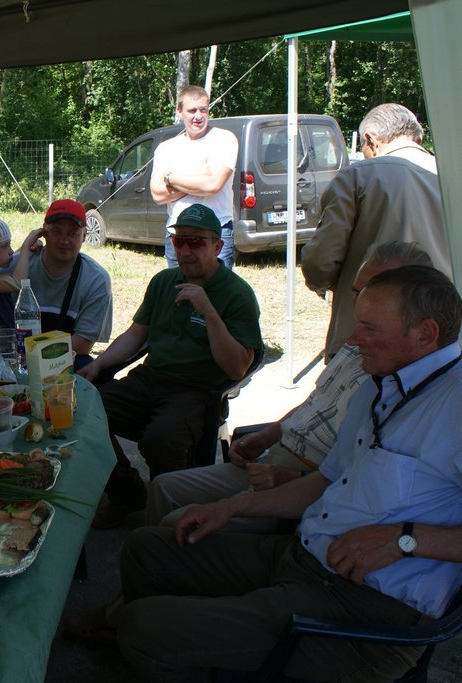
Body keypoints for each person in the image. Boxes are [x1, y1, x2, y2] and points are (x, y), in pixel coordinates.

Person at [113, 265, 462, 682]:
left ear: (425, 334)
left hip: (368, 612)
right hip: (304, 559)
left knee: (143, 628)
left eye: (369, 328)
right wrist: (229, 508)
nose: (353, 339)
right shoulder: (378, 384)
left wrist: (404, 540)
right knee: (146, 550)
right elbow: (326, 481)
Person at [145, 241, 434, 532]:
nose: (360, 304)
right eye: (357, 291)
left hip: (305, 483)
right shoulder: (357, 341)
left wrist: (292, 478)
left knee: (177, 526)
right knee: (163, 487)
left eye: (374, 292)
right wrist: (264, 437)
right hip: (274, 458)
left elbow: (361, 483)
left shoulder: (406, 383)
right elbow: (315, 402)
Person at [78, 203, 261, 529]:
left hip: (196, 390)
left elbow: (237, 368)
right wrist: (99, 364)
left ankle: (166, 520)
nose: (186, 251)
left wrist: (208, 312)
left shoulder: (236, 294)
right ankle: (128, 494)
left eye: (196, 242)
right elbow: (136, 334)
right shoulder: (164, 281)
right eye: (179, 241)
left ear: (217, 246)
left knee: (161, 441)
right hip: (149, 379)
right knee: (83, 415)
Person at [301, 103, 450, 362]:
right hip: (440, 330)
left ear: (371, 140)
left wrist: (320, 283)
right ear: (417, 137)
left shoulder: (357, 176)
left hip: (368, 332)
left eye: (363, 147)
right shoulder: (450, 173)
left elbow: (321, 261)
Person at [16, 198, 112, 370]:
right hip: (15, 358)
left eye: (73, 233)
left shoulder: (96, 280)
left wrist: (34, 360)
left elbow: (83, 344)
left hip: (62, 361)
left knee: (86, 364)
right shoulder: (20, 265)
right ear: (43, 232)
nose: (64, 240)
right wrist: (23, 248)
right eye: (56, 231)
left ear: (84, 236)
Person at [150, 84, 238, 269]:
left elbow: (213, 185)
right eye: (192, 110)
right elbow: (157, 195)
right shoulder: (166, 148)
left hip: (216, 232)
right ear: (179, 111)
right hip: (177, 235)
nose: (198, 116)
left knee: (217, 287)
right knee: (179, 287)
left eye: (203, 110)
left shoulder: (224, 139)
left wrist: (170, 178)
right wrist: (201, 175)